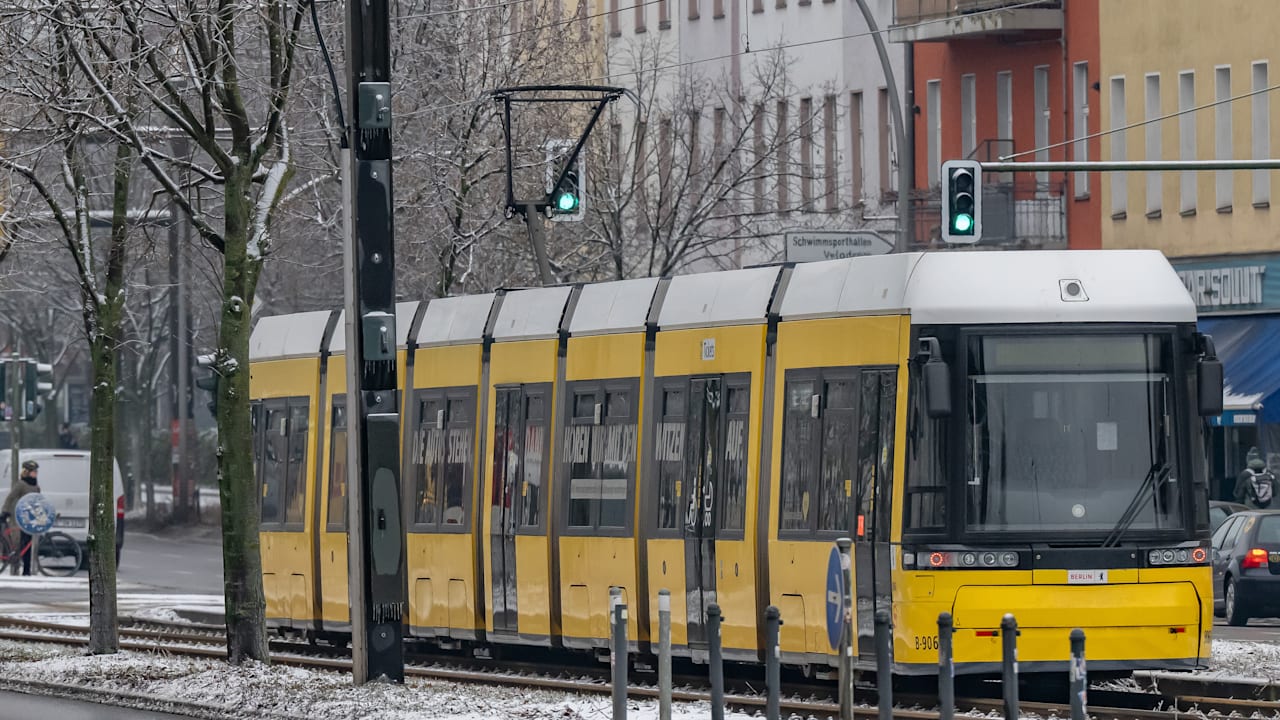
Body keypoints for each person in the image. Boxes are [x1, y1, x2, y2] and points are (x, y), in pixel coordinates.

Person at [0, 460, 41, 575]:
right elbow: (11, 497)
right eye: (33, 471)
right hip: (20, 518)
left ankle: (26, 569)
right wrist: (5, 511)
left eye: (36, 471)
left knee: (28, 543)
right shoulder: (21, 484)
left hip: (30, 518)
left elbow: (38, 501)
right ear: (27, 472)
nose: (36, 473)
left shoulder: (36, 486)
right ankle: (19, 567)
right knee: (20, 542)